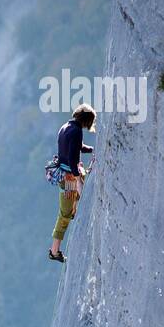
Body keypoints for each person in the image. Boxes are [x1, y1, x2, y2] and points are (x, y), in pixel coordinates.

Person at [49, 104, 96, 264]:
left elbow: (76, 148)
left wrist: (92, 149)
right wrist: (77, 178)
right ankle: (54, 251)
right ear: (87, 120)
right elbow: (72, 158)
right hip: (68, 176)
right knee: (65, 214)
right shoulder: (76, 131)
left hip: (64, 171)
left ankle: (75, 211)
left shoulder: (66, 126)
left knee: (70, 208)